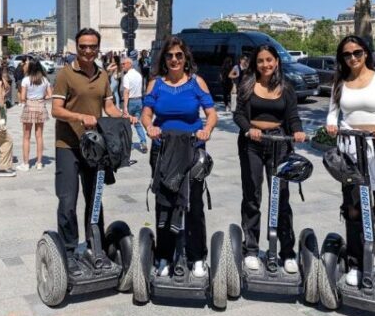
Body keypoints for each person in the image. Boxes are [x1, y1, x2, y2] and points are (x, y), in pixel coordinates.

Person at [326, 35, 375, 296]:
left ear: (366, 53)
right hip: (350, 149)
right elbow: (332, 111)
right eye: (347, 55)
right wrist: (331, 124)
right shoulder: (340, 82)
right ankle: (357, 263)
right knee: (353, 209)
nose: (352, 58)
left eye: (357, 53)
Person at [140, 36, 218, 279]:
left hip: (192, 148)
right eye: (170, 55)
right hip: (164, 149)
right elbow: (146, 114)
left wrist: (208, 129)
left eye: (179, 55)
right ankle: (164, 254)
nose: (174, 59)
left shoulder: (197, 83)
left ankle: (196, 256)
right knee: (165, 203)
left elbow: (211, 113)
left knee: (193, 203)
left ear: (186, 59)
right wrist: (149, 128)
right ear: (164, 59)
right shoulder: (155, 84)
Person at [51, 28, 125, 275]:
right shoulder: (65, 74)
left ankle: (96, 247)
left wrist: (123, 116)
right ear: (77, 47)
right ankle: (70, 251)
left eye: (92, 46)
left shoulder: (103, 75)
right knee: (67, 201)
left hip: (94, 147)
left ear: (98, 48)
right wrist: (80, 117)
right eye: (83, 46)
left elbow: (109, 105)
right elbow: (56, 110)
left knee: (95, 201)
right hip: (68, 146)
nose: (87, 51)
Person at [233, 44, 306, 273]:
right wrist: (248, 129)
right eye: (261, 61)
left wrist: (298, 131)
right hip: (252, 143)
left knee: (281, 197)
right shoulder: (247, 85)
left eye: (269, 60)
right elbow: (239, 115)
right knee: (252, 195)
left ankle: (286, 251)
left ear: (276, 61)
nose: (265, 65)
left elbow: (292, 116)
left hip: (279, 143)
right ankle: (251, 249)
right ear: (256, 64)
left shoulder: (286, 88)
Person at [19, 59, 52, 171]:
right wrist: (41, 98)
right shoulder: (45, 80)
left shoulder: (26, 80)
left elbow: (23, 97)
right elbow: (50, 95)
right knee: (39, 136)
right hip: (41, 107)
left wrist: (26, 100)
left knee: (26, 137)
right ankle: (39, 163)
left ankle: (26, 163)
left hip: (29, 106)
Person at [122, 56, 148, 154]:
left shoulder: (127, 76)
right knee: (137, 123)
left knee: (127, 124)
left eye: (124, 64)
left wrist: (125, 107)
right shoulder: (138, 75)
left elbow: (126, 92)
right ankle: (143, 141)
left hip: (131, 102)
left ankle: (129, 144)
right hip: (139, 100)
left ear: (129, 64)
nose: (122, 66)